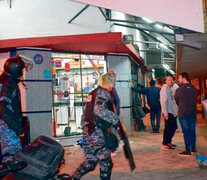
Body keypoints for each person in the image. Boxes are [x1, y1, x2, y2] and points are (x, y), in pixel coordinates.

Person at [70, 73, 121, 180]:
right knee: (105, 162)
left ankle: (74, 177)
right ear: (110, 83)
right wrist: (115, 119)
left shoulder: (93, 92)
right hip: (96, 133)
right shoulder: (103, 93)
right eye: (113, 83)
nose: (113, 85)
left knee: (91, 161)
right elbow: (98, 110)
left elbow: (87, 113)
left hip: (88, 131)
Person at [0, 56, 26, 165]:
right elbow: (2, 108)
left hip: (5, 126)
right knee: (13, 160)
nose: (22, 73)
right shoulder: (8, 85)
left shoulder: (3, 81)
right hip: (7, 128)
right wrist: (18, 129)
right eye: (21, 70)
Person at [175, 72, 197, 156]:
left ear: (184, 78)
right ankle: (193, 148)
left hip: (183, 113)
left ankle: (187, 150)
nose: (179, 80)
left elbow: (177, 100)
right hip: (192, 112)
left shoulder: (179, 89)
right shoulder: (193, 88)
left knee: (186, 132)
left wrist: (181, 105)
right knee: (192, 131)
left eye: (179, 78)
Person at [160, 76, 178, 150]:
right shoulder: (164, 88)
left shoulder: (171, 88)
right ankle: (164, 144)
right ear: (166, 81)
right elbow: (163, 101)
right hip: (168, 112)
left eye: (172, 80)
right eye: (169, 80)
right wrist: (165, 113)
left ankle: (168, 142)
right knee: (168, 128)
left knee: (172, 128)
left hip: (173, 112)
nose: (170, 81)